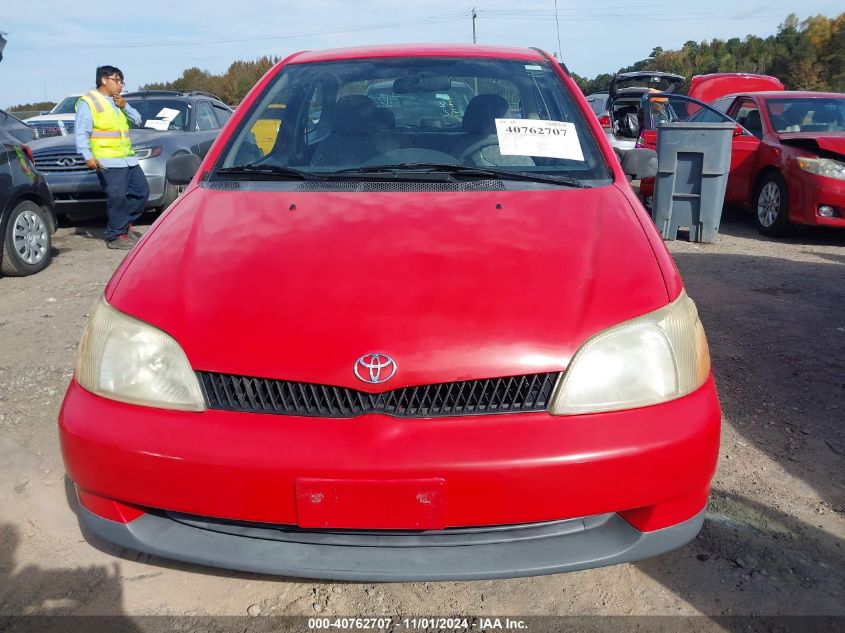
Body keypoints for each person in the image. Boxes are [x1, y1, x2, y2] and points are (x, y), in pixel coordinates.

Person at [74, 65, 149, 249]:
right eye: (117, 80)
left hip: (127, 158)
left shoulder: (119, 102)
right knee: (117, 198)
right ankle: (116, 235)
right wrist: (87, 156)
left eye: (122, 81)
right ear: (103, 80)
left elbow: (138, 120)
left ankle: (122, 225)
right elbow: (81, 132)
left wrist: (126, 106)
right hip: (107, 160)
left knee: (141, 193)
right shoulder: (89, 101)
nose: (120, 85)